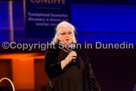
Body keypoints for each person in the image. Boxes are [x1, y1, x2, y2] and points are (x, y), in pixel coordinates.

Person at [45, 21, 100, 91]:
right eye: (63, 33)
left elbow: (90, 74)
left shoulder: (79, 50)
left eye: (69, 33)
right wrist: (66, 61)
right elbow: (49, 71)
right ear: (58, 36)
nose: (67, 36)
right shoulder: (53, 50)